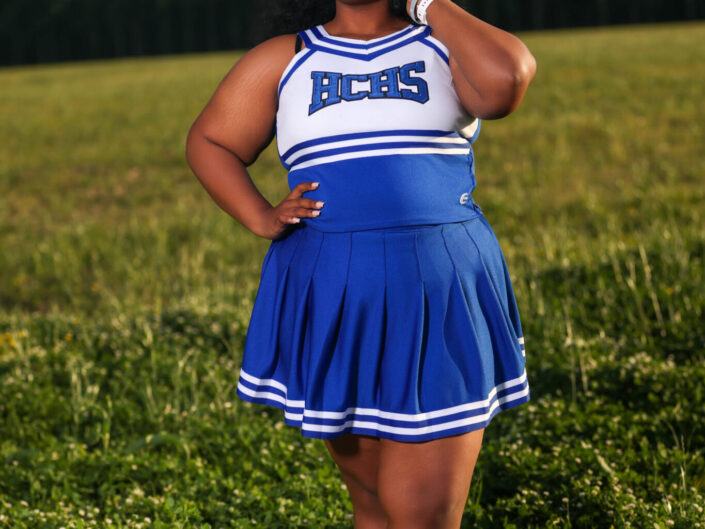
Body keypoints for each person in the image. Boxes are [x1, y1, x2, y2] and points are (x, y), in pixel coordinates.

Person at [186, 0, 536, 527]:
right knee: (372, 505)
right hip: (332, 289)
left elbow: (507, 80)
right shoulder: (288, 57)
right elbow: (211, 140)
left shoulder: (443, 43)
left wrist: (428, 5)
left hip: (436, 287)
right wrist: (259, 215)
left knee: (420, 513)